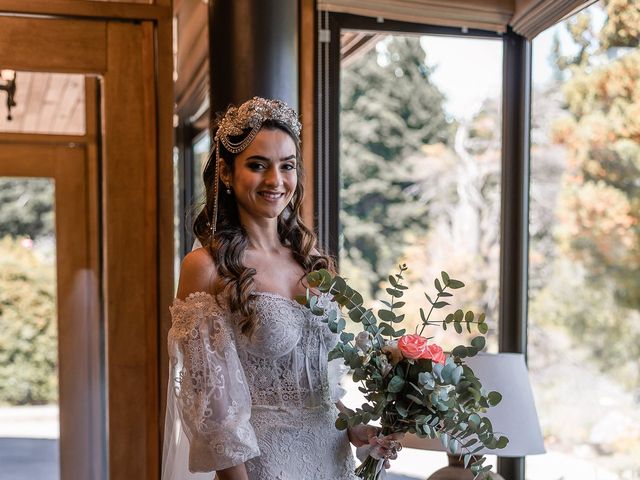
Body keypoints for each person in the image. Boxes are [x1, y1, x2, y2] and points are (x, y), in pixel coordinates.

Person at [161, 97, 400, 480]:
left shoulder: (312, 258)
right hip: (265, 465)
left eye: (286, 166)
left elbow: (317, 381)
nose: (276, 181)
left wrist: (353, 426)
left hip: (332, 457)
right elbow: (213, 408)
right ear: (225, 171)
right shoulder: (205, 267)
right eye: (258, 165)